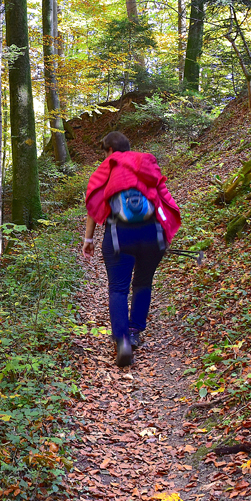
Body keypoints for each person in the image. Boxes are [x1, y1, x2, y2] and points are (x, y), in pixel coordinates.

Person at [82, 131, 181, 368]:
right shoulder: (146, 163)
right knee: (143, 283)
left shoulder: (106, 168)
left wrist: (89, 239)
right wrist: (165, 232)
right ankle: (135, 331)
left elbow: (94, 203)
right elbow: (161, 197)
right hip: (151, 234)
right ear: (128, 148)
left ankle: (123, 341)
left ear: (108, 150)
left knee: (118, 289)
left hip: (119, 236)